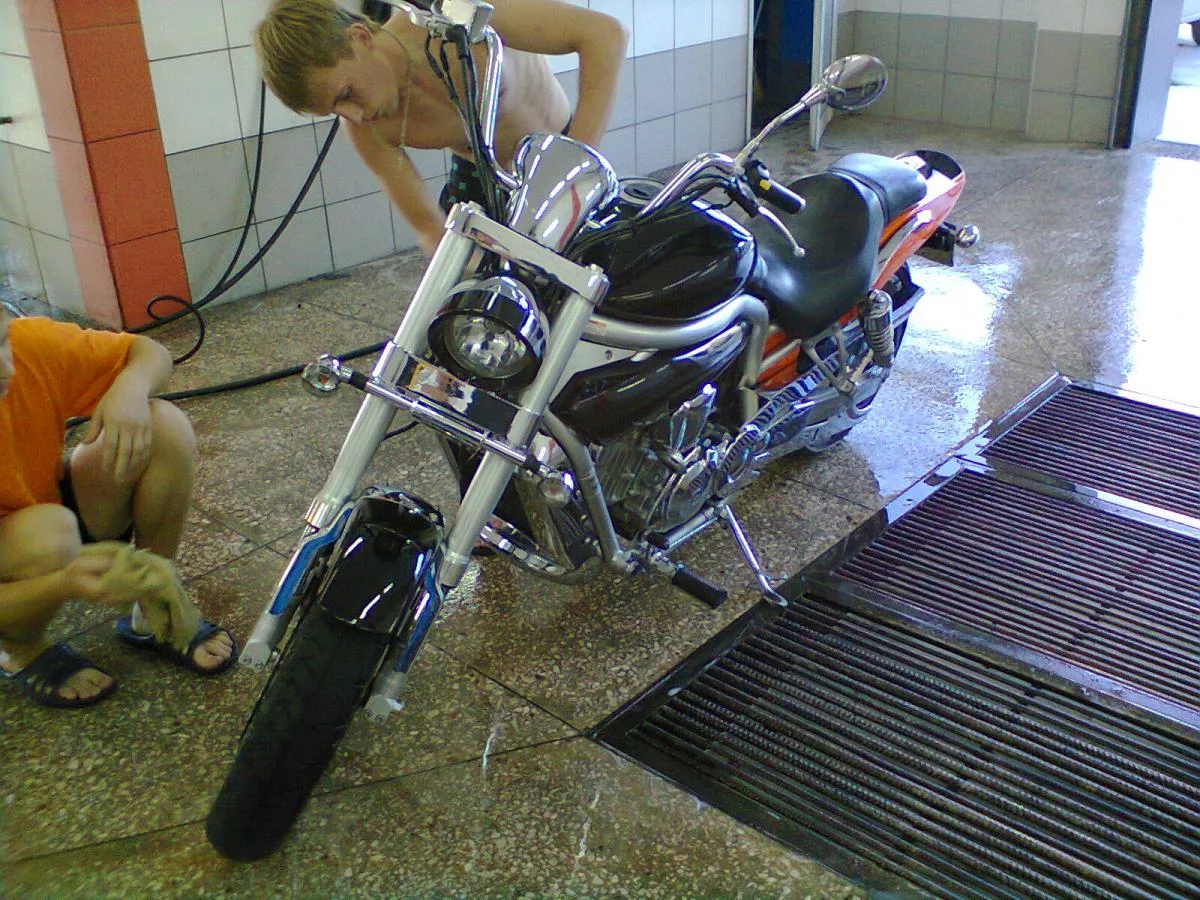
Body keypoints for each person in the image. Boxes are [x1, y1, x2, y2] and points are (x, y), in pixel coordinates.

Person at [0, 306, 237, 708]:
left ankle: (153, 607)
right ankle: (18, 650)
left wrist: (130, 387)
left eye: (2, 340)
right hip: (32, 540)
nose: (7, 367)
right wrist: (66, 582)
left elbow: (149, 352)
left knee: (163, 425)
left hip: (47, 510)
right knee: (48, 535)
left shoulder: (27, 344)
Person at [254, 0, 627, 255]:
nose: (353, 115)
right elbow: (430, 230)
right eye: (334, 110)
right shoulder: (367, 128)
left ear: (360, 38)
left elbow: (604, 35)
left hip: (562, 163)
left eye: (347, 94)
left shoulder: (458, 19)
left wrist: (576, 163)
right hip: (480, 184)